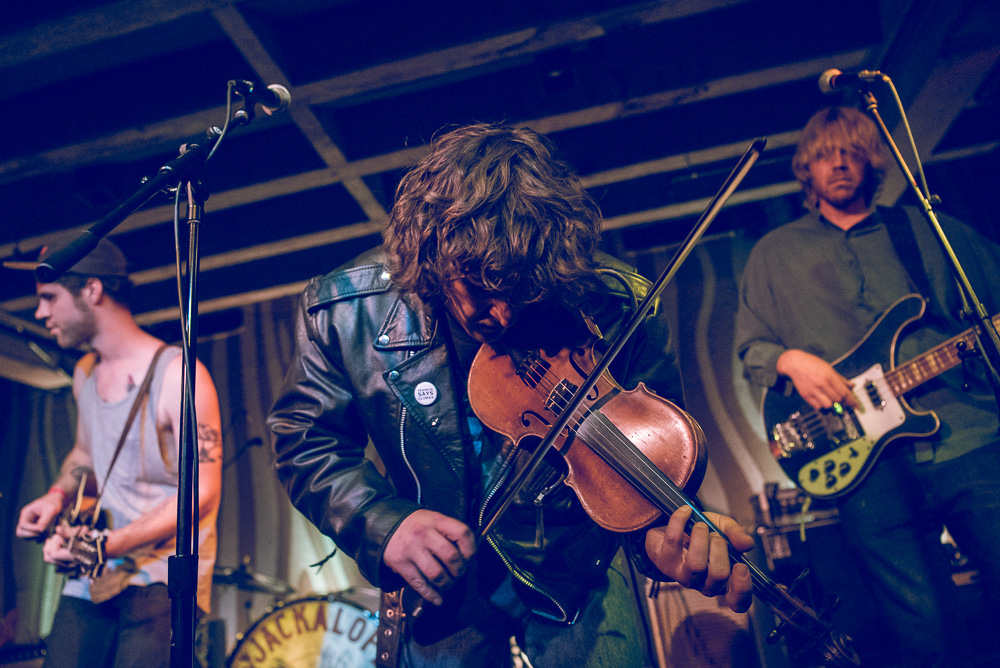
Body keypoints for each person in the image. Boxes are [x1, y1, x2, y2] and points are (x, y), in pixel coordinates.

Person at [267, 122, 754, 668]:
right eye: (480, 288)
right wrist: (382, 522)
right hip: (438, 577)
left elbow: (648, 474)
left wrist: (660, 541)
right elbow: (304, 440)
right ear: (432, 255)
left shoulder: (617, 306)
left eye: (521, 292)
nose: (501, 315)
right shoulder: (344, 310)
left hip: (573, 565)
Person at [735, 106, 1000, 666]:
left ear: (871, 161)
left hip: (967, 436)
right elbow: (752, 349)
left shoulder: (927, 229)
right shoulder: (774, 255)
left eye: (850, 151)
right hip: (863, 464)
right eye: (824, 154)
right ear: (806, 168)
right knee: (926, 635)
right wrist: (790, 361)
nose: (838, 163)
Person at [11, 234, 222, 668]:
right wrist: (55, 497)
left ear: (92, 289)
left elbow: (202, 493)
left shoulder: (179, 374)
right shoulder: (84, 372)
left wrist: (108, 544)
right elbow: (85, 455)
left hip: (162, 576)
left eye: (50, 297)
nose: (40, 312)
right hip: (94, 571)